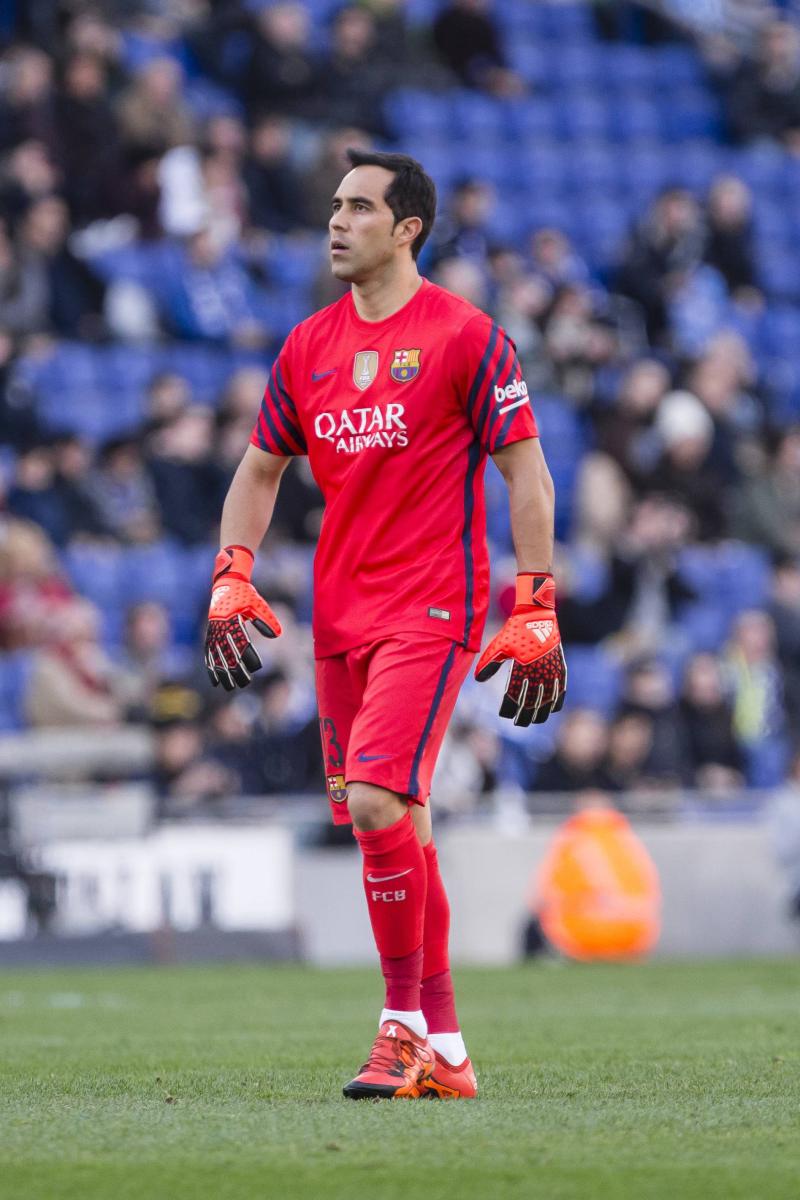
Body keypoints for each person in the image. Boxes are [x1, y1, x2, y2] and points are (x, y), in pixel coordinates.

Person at [203, 150, 566, 1100]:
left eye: (359, 207)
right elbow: (257, 471)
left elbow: (526, 472)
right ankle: (446, 1051)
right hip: (340, 619)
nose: (336, 221)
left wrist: (535, 598)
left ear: (407, 228)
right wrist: (231, 574)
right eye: (332, 205)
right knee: (400, 822)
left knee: (373, 803)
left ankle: (399, 1027)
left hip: (432, 608)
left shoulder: (467, 337)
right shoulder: (307, 346)